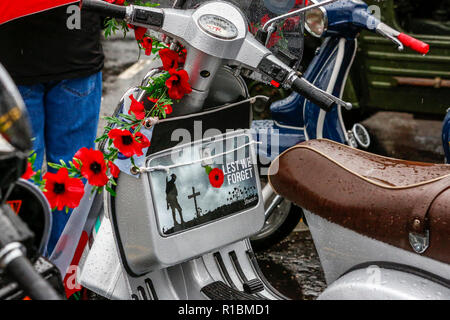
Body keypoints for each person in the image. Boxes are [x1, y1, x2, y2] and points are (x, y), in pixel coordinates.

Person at [0, 4, 104, 255]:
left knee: (20, 178)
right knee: (72, 174)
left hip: (16, 58)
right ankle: (64, 267)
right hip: (76, 48)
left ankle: (26, 267)